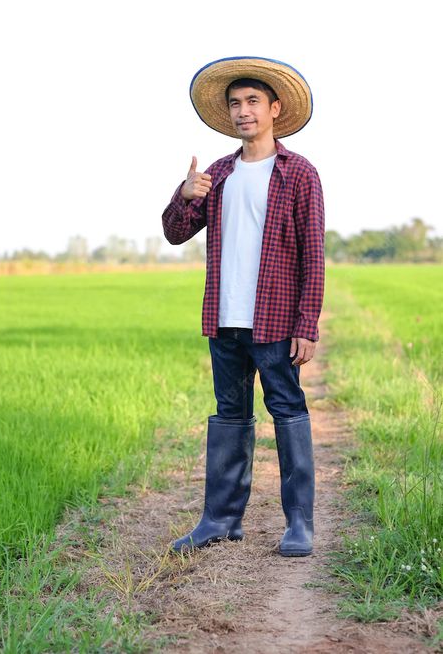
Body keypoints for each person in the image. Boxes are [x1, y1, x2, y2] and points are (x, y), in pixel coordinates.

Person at [161, 56, 325, 557]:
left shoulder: (298, 173)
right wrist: (184, 195)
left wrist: (307, 323)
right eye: (235, 103)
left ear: (275, 109)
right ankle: (220, 520)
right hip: (225, 320)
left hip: (274, 320)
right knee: (230, 416)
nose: (243, 111)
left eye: (253, 101)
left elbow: (313, 253)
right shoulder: (217, 174)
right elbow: (174, 232)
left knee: (287, 412)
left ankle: (299, 524)